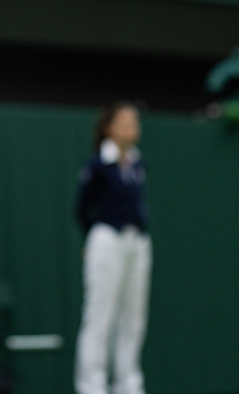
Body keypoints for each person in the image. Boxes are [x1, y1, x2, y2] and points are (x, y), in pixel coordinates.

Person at [74, 101, 151, 394]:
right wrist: (92, 238)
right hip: (106, 241)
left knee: (133, 318)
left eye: (136, 120)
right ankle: (92, 387)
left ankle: (129, 384)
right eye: (126, 120)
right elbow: (81, 207)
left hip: (138, 243)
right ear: (109, 127)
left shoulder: (137, 162)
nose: (133, 125)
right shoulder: (97, 164)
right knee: (99, 318)